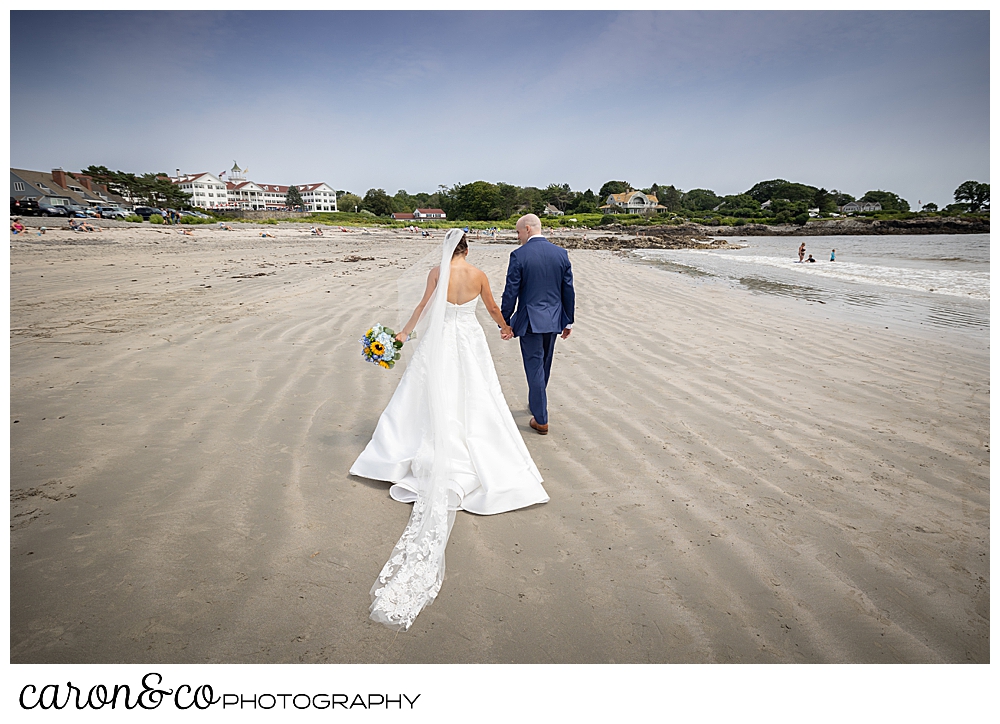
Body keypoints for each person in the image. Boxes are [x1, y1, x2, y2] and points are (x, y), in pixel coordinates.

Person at [351, 229, 548, 631]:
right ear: (468, 248)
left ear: (446, 249)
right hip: (468, 338)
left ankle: (403, 446)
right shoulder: (477, 274)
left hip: (441, 339)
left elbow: (425, 307)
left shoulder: (436, 272)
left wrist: (403, 334)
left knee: (428, 390)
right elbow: (492, 309)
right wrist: (506, 328)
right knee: (476, 393)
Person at [501, 213, 575, 435]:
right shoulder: (561, 254)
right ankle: (536, 404)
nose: (517, 236)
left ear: (528, 229)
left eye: (518, 232)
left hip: (531, 321)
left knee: (534, 366)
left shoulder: (519, 255)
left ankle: (541, 419)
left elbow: (510, 292)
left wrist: (505, 322)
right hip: (553, 319)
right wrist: (568, 320)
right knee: (544, 365)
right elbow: (568, 290)